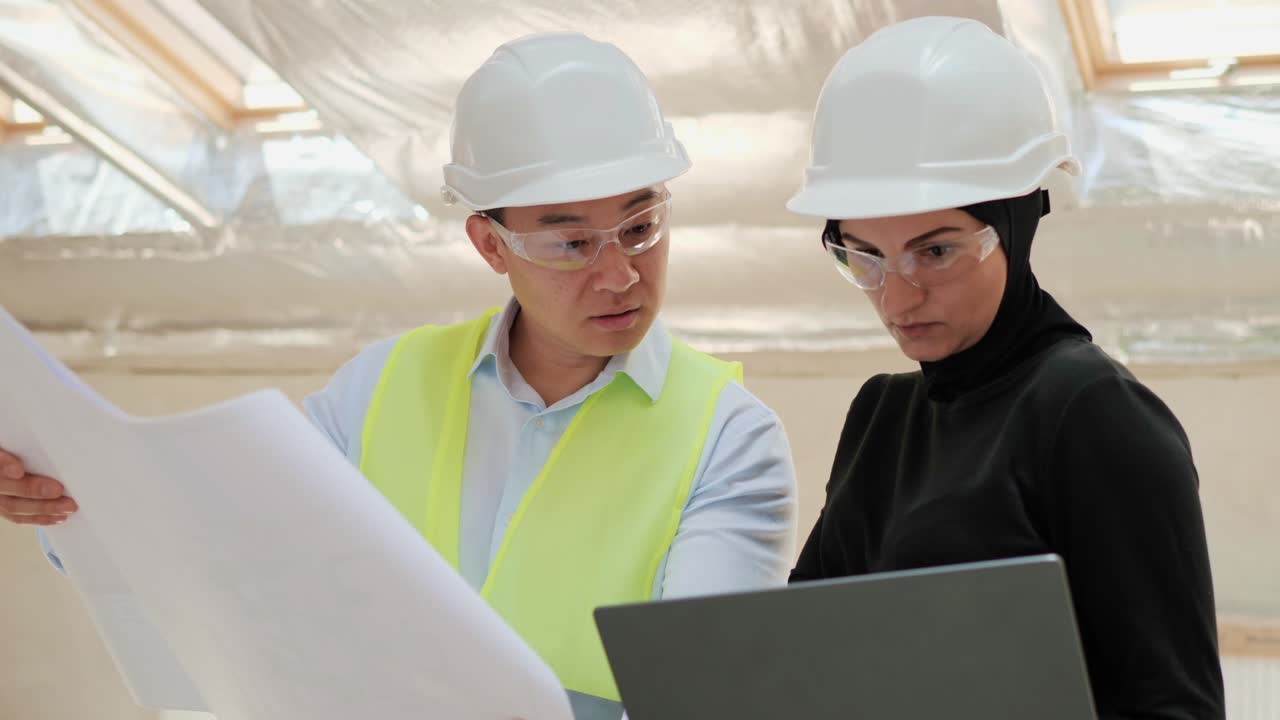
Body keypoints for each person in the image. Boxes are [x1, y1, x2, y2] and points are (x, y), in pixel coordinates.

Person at [0, 32, 798, 720]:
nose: (621, 274)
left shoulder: (727, 440)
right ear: (490, 246)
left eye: (641, 224)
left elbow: (700, 701)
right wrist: (68, 503)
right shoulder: (376, 388)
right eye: (570, 242)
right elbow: (225, 558)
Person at [785, 16, 1223, 719]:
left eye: (935, 251)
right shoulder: (881, 416)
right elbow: (803, 656)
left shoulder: (1093, 413)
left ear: (1018, 224)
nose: (896, 295)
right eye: (863, 256)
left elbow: (1174, 705)